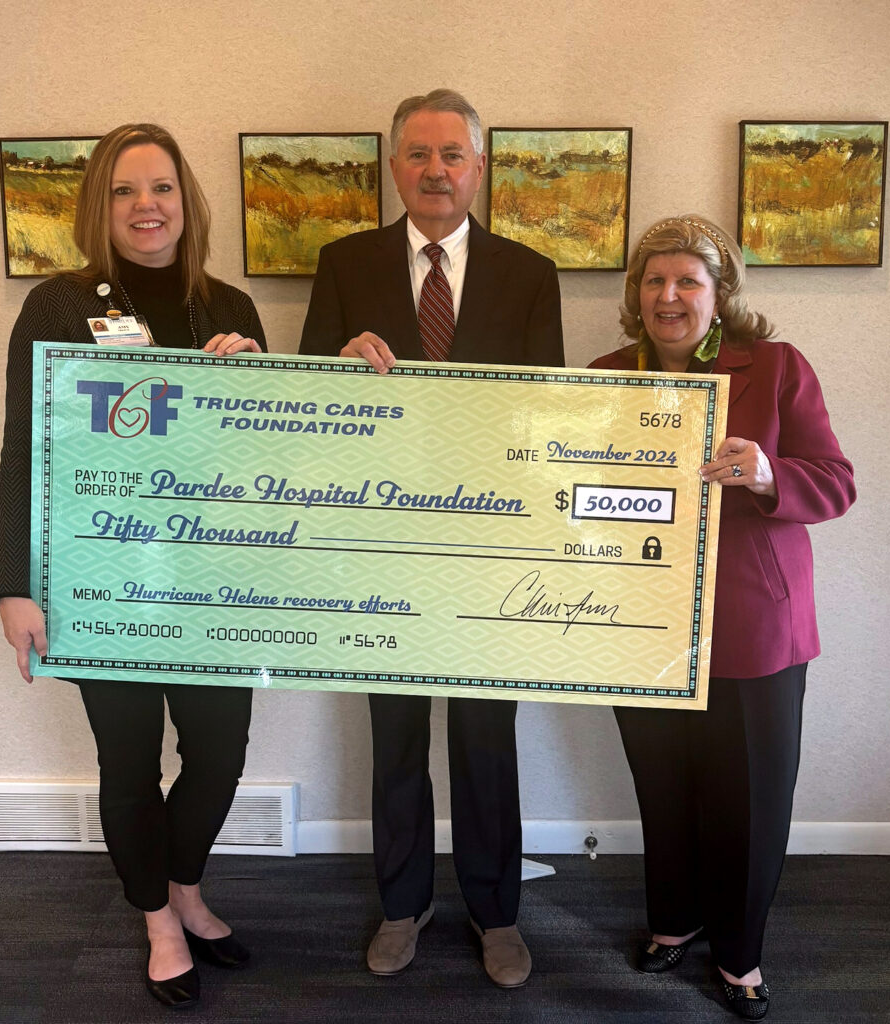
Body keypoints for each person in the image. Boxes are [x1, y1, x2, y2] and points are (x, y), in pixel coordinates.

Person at [0, 123, 267, 1009]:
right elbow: (24, 451)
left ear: (187, 202)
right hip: (97, 573)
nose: (144, 207)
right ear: (98, 208)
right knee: (127, 760)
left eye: (160, 189)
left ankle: (185, 883)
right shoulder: (58, 307)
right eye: (123, 191)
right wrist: (15, 585)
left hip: (212, 577)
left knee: (220, 753)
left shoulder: (229, 307)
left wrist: (257, 386)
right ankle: (156, 917)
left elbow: (265, 455)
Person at [299, 89, 563, 987]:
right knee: (397, 738)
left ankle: (496, 915)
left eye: (452, 154)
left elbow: (543, 417)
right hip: (380, 549)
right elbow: (305, 403)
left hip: (488, 553)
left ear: (478, 168)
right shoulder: (344, 263)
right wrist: (335, 371)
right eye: (417, 154)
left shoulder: (530, 272)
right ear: (393, 166)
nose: (436, 170)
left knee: (489, 741)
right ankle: (402, 906)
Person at [588, 215, 855, 1020]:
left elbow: (836, 482)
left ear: (719, 294)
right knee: (664, 787)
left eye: (687, 282)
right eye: (653, 281)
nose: (668, 296)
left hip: (753, 623)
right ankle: (673, 920)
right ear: (636, 294)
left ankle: (739, 956)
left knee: (748, 799)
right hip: (639, 618)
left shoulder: (774, 368)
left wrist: (769, 473)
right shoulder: (604, 375)